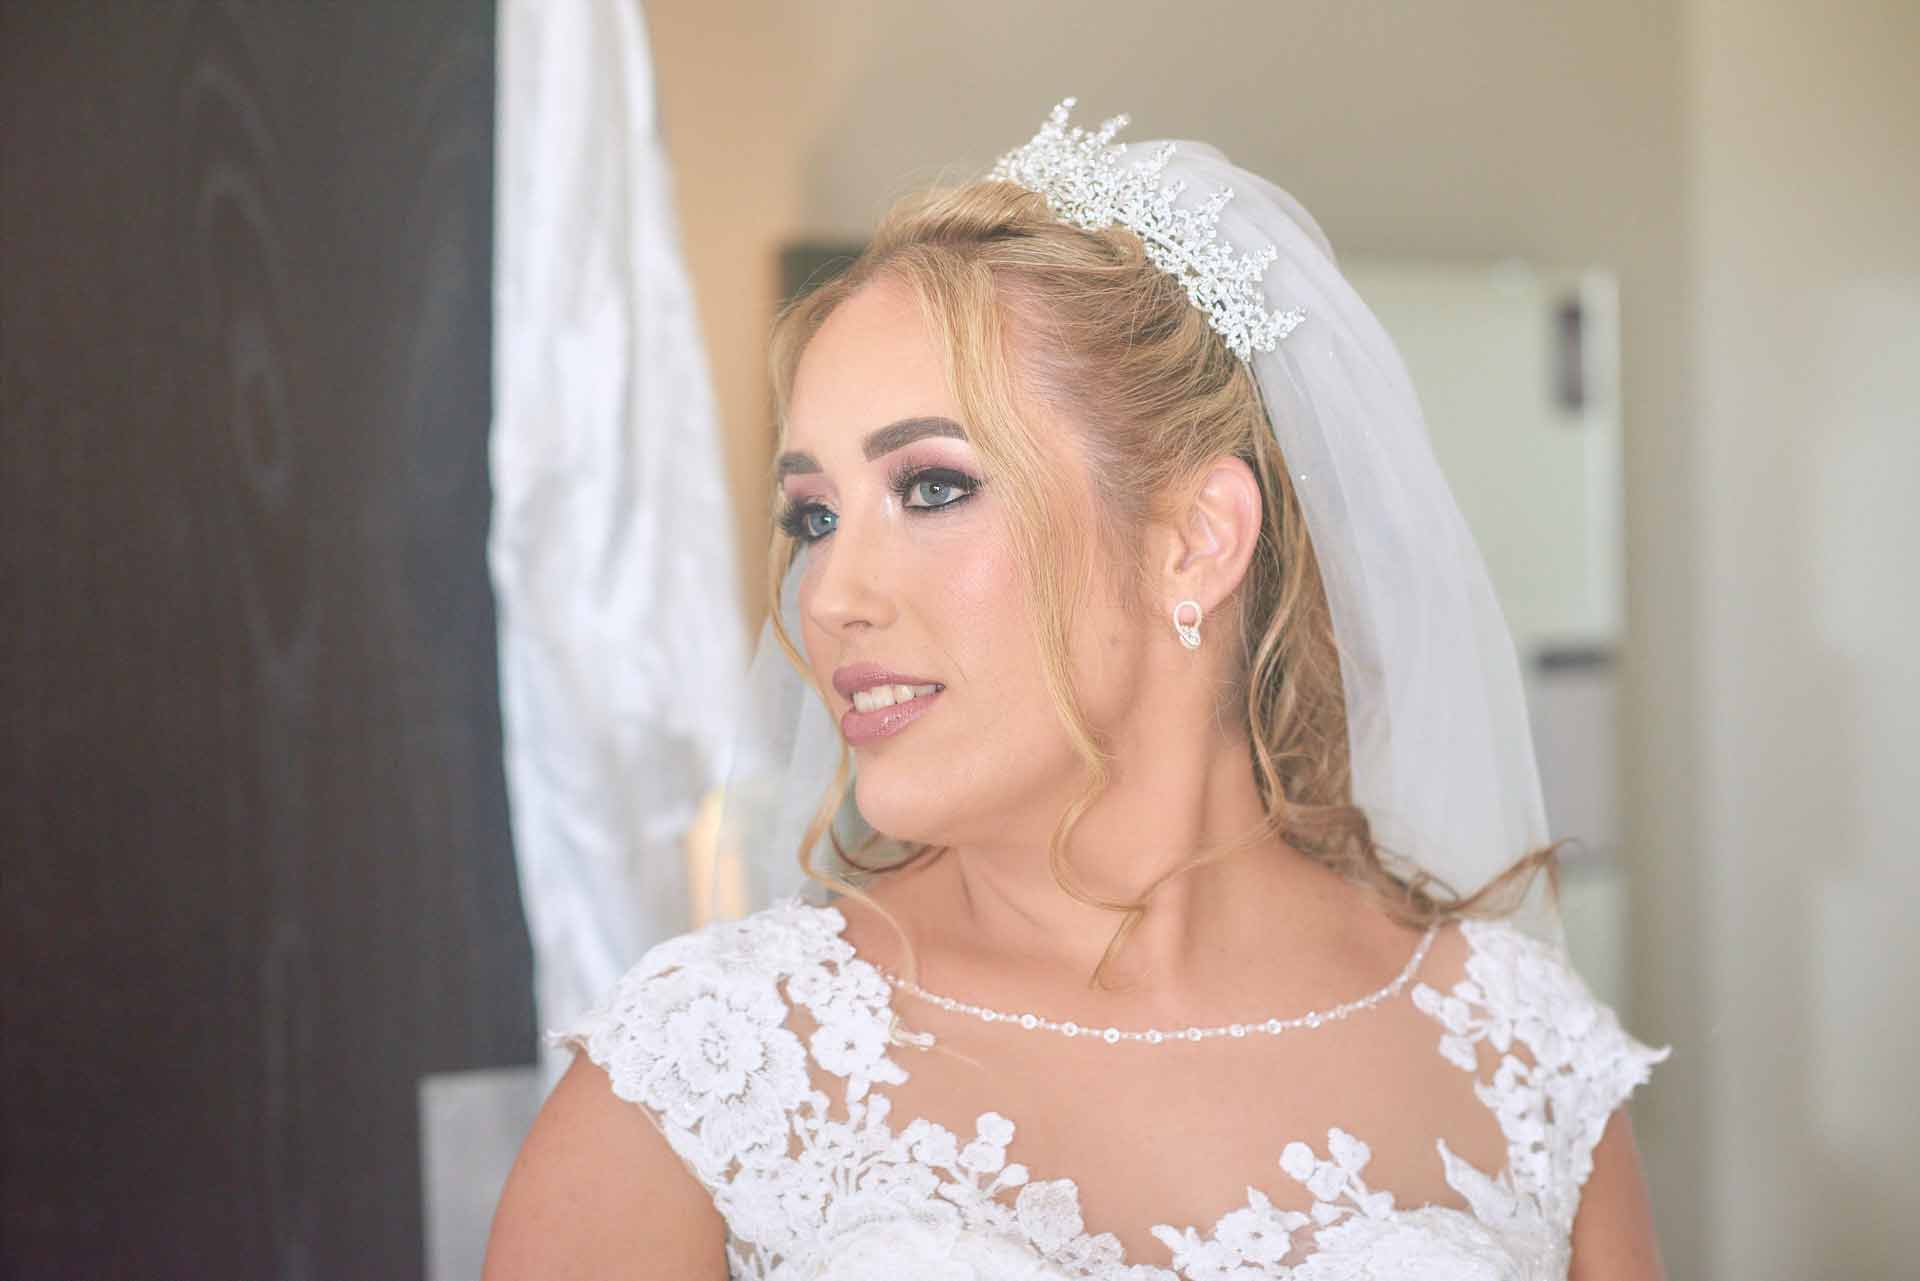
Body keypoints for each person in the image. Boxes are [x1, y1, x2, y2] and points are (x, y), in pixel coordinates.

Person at [484, 100, 1669, 1280]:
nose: (829, 594)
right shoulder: (698, 1089)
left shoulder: (1526, 1063)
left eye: (933, 489)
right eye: (814, 515)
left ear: (1196, 539)